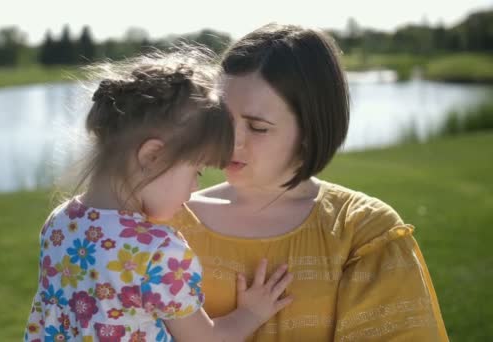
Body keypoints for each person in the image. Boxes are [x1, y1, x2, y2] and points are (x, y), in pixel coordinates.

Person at [166, 24, 449, 341]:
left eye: (258, 127)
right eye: (222, 118)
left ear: (310, 130)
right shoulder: (167, 220)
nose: (232, 141)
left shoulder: (362, 232)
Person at [23, 48, 294, 342]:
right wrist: (251, 314)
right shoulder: (158, 252)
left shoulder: (59, 224)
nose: (193, 190)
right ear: (153, 156)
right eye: (196, 172)